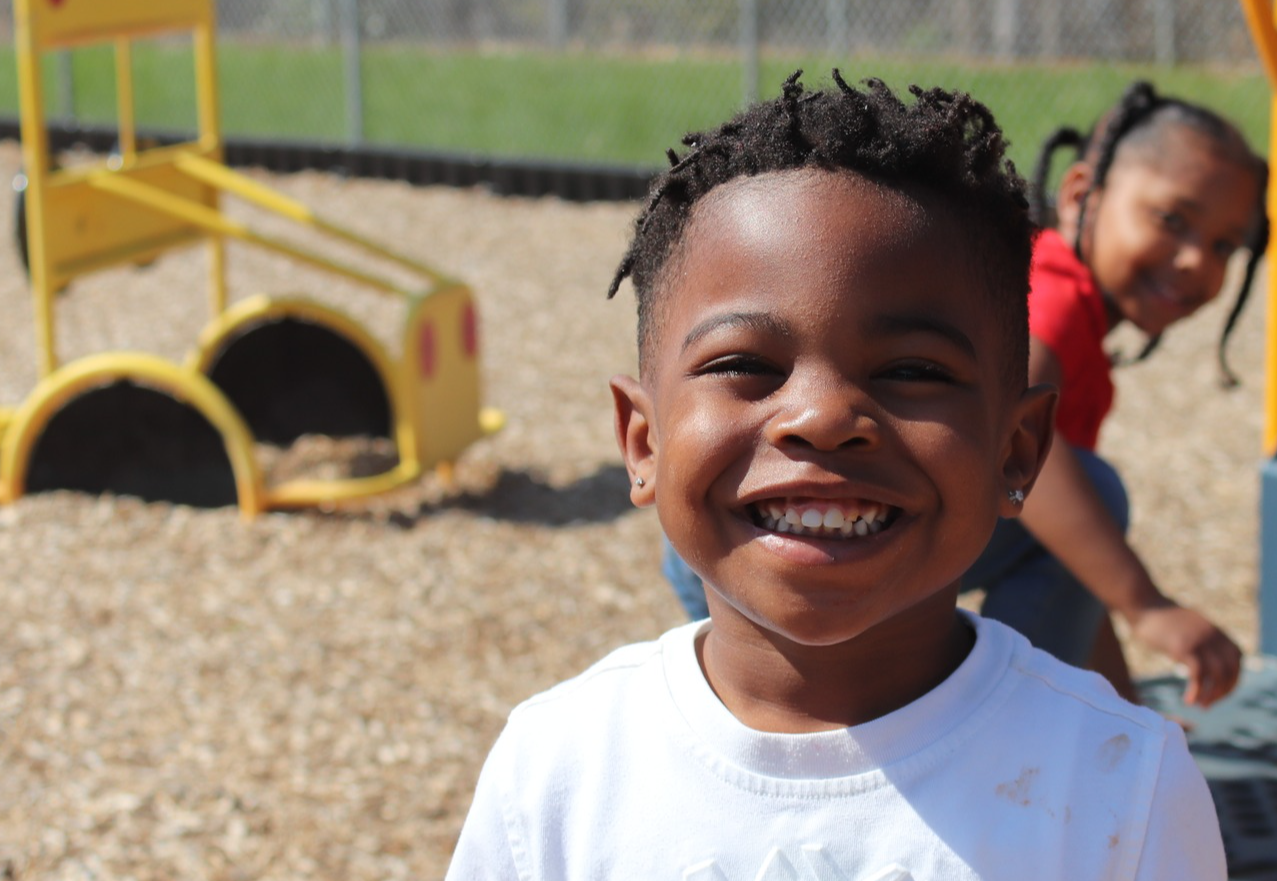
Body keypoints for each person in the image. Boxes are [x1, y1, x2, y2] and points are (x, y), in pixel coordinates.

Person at [444, 72, 1224, 879]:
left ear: (1016, 450)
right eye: (745, 363)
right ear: (642, 441)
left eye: (914, 369)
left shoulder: (1124, 789)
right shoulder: (556, 772)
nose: (820, 416)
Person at [665, 80, 1263, 709]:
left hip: (775, 519)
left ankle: (1028, 719)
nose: (1198, 261)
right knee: (1090, 492)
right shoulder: (1052, 298)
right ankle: (1011, 726)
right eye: (1172, 220)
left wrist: (1121, 715)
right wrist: (1148, 605)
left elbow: (1070, 562)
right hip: (793, 523)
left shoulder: (1060, 301)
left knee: (1083, 517)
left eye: (1224, 244)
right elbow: (1049, 485)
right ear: (1081, 194)